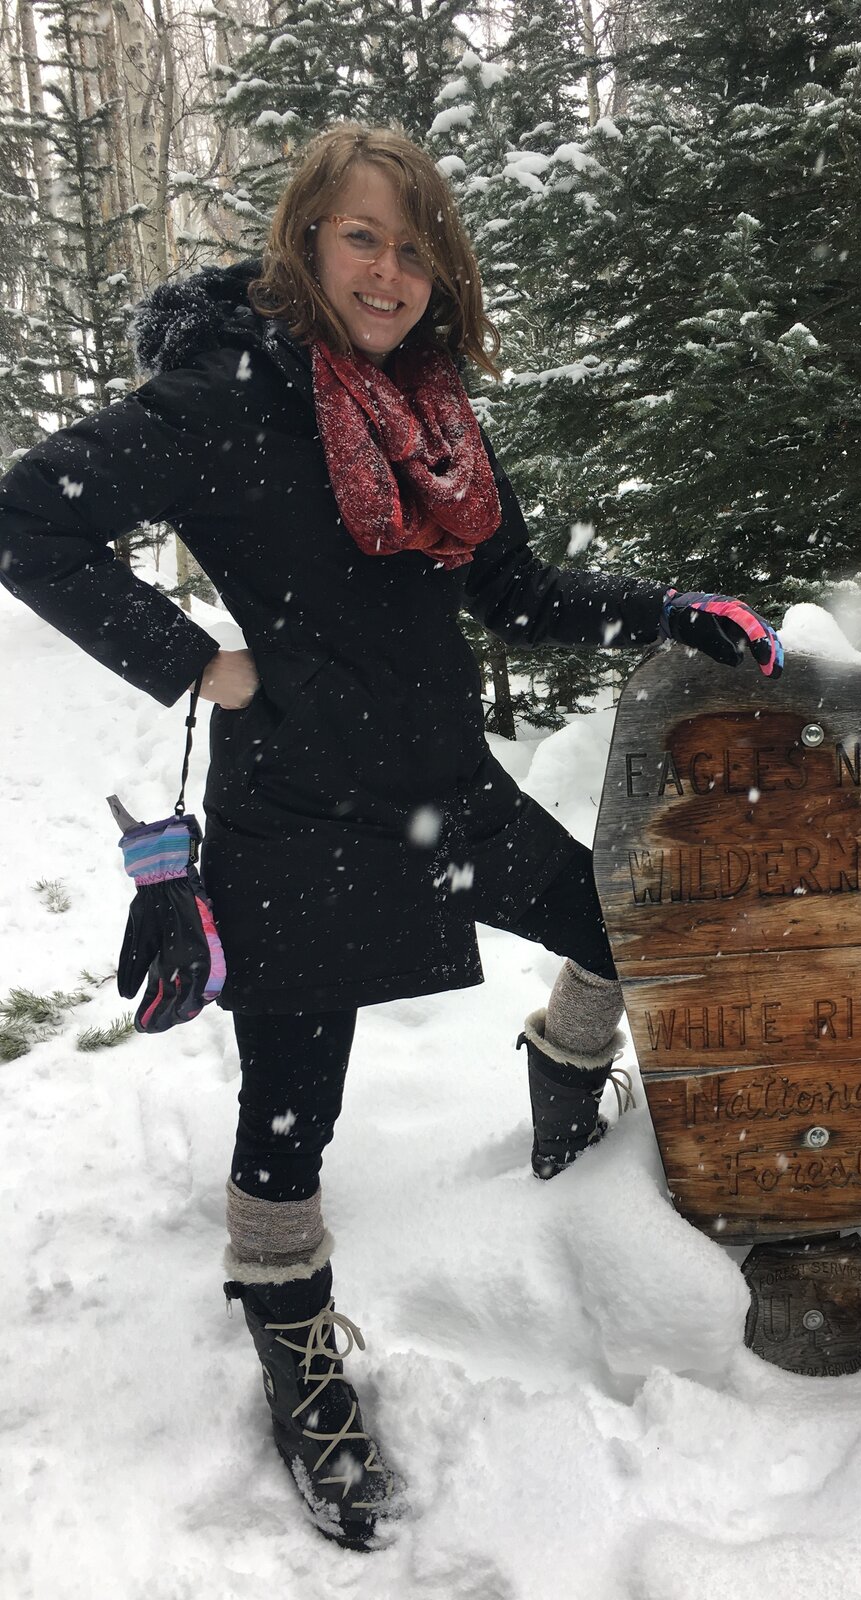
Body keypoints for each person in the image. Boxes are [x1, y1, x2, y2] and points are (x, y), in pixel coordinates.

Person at [0, 123, 783, 1550]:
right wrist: (201, 663)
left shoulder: (430, 407)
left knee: (618, 930)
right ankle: (296, 1351)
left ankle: (562, 1072)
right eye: (364, 237)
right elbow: (25, 521)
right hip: (298, 814)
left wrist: (669, 609)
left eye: (417, 246)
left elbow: (518, 589)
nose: (392, 272)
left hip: (439, 782)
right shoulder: (222, 390)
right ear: (308, 239)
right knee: (293, 1122)